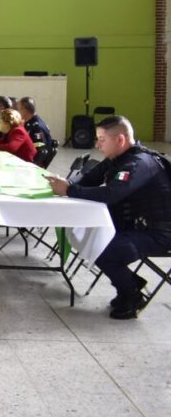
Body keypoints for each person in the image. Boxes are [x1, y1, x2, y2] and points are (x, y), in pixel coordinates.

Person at [45, 116, 171, 320]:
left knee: (103, 249)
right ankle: (129, 283)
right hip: (138, 227)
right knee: (91, 238)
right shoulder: (118, 158)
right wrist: (67, 183)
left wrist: (69, 190)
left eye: (102, 139)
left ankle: (131, 295)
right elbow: (89, 178)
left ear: (120, 140)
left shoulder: (140, 163)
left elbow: (112, 193)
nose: (97, 144)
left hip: (160, 233)